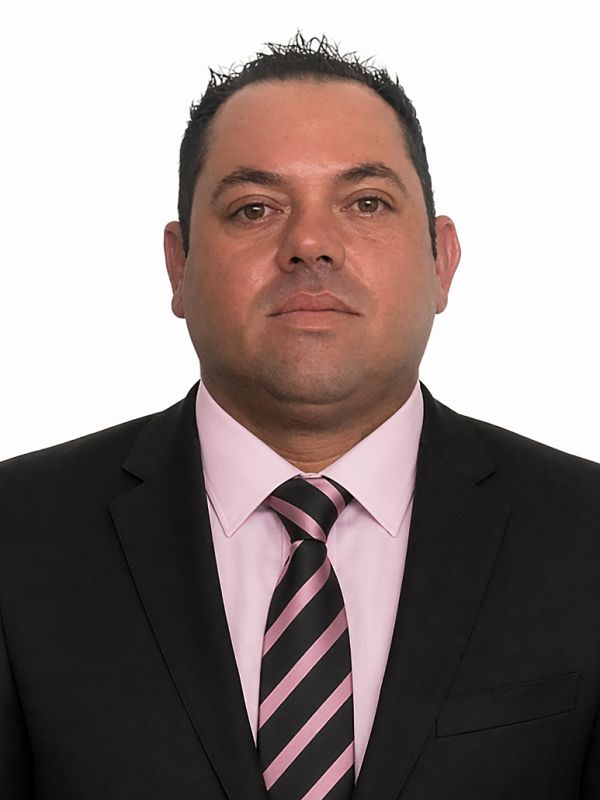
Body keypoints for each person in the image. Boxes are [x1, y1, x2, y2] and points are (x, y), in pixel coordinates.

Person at [1, 33, 599, 800]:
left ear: (441, 259)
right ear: (179, 265)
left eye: (366, 203)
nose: (310, 244)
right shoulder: (17, 536)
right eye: (255, 208)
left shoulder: (585, 535)